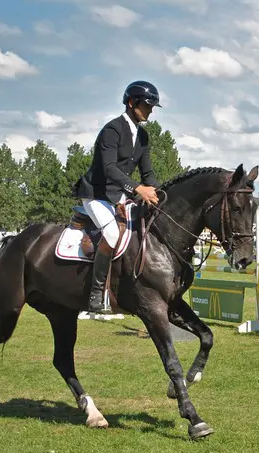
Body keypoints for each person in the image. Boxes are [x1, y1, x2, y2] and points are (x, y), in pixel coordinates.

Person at [72, 80, 162, 313]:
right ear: (132, 103)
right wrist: (137, 189)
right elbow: (109, 167)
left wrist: (159, 194)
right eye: (148, 105)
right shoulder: (112, 130)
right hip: (97, 194)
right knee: (112, 232)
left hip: (120, 195)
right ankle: (95, 293)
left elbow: (148, 173)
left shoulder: (142, 137)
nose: (151, 109)